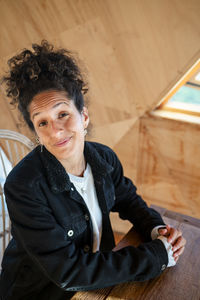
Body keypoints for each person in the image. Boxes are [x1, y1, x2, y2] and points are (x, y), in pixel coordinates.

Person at [0, 41, 186, 300]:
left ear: (84, 116)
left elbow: (129, 200)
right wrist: (155, 256)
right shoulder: (23, 186)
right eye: (42, 122)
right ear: (36, 132)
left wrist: (157, 229)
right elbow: (68, 272)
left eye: (63, 113)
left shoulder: (104, 158)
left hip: (99, 284)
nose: (55, 131)